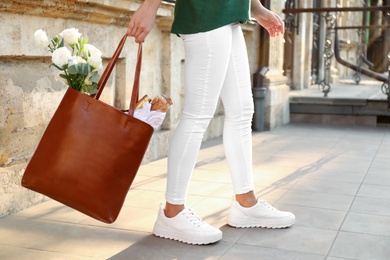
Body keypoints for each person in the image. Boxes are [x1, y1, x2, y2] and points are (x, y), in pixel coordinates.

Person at [127, 0, 295, 245]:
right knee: (197, 114)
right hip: (206, 11)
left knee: (242, 111)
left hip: (229, 11)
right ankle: (172, 213)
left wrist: (255, 7)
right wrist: (151, 5)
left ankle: (246, 203)